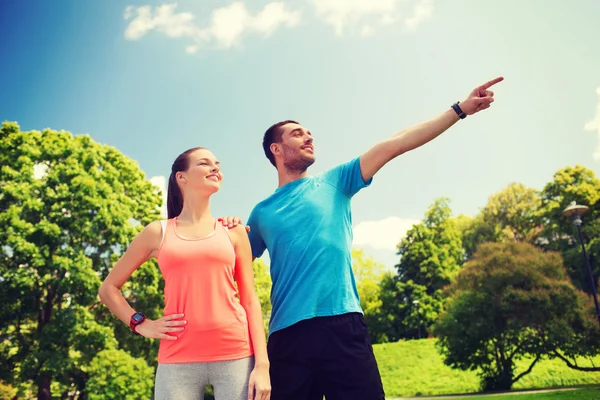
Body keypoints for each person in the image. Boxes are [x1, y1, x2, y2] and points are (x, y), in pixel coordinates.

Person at [241, 77, 504, 400]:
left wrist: (459, 110)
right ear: (276, 149)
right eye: (297, 133)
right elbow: (230, 264)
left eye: (310, 133)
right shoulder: (262, 212)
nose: (309, 137)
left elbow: (395, 143)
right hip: (288, 335)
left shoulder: (336, 181)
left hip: (343, 324)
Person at [99, 147, 271, 400]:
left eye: (217, 164)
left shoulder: (233, 232)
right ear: (182, 177)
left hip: (236, 354)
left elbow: (250, 300)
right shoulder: (157, 233)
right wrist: (140, 324)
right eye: (204, 163)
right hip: (177, 358)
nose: (215, 168)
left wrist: (262, 365)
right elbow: (108, 289)